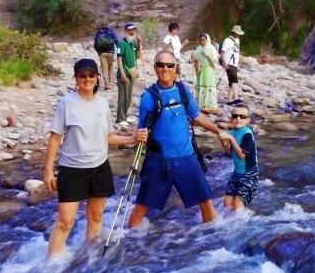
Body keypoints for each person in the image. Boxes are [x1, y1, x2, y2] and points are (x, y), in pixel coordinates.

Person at [44, 58, 147, 256]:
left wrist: (132, 139)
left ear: (97, 78)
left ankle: (88, 259)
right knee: (65, 222)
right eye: (83, 76)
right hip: (71, 169)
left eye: (91, 75)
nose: (87, 79)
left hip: (99, 168)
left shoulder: (102, 104)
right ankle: (52, 266)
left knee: (96, 216)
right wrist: (48, 170)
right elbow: (55, 138)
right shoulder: (66, 104)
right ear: (76, 78)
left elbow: (107, 137)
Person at [127, 50, 227, 228]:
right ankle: (128, 241)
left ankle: (213, 238)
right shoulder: (148, 97)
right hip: (159, 162)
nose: (165, 69)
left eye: (169, 65)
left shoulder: (182, 90)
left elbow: (196, 116)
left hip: (186, 158)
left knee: (205, 201)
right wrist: (138, 136)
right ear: (155, 68)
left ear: (175, 68)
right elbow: (141, 129)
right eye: (160, 65)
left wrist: (218, 131)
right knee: (142, 206)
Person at [219, 104, 259, 210]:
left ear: (247, 120)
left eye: (242, 117)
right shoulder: (232, 132)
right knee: (227, 203)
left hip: (249, 174)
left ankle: (244, 221)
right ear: (230, 118)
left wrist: (231, 139)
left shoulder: (247, 135)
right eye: (235, 116)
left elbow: (241, 155)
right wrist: (224, 144)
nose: (238, 118)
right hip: (237, 173)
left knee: (237, 204)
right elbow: (231, 154)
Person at [116, 22, 142, 126]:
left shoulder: (133, 43)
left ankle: (125, 116)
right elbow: (119, 59)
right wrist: (122, 74)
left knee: (129, 96)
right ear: (126, 31)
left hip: (132, 73)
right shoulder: (121, 43)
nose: (132, 32)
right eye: (130, 30)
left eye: (133, 30)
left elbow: (139, 56)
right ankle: (120, 118)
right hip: (124, 73)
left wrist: (139, 43)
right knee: (123, 96)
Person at [193, 33, 219, 114]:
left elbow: (213, 65)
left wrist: (207, 55)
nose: (202, 42)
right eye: (200, 40)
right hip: (200, 70)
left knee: (208, 87)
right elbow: (196, 61)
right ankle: (201, 105)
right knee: (200, 87)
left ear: (207, 40)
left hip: (208, 70)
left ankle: (210, 106)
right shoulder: (198, 49)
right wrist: (196, 66)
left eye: (204, 40)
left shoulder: (211, 49)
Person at [220, 25, 244, 105]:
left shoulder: (237, 40)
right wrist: (224, 63)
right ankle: (236, 97)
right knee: (234, 79)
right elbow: (222, 52)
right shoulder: (227, 40)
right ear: (233, 32)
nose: (238, 35)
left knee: (231, 81)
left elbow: (236, 52)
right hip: (229, 63)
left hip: (235, 63)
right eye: (237, 33)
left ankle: (229, 100)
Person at [93, 23, 118, 90]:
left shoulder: (98, 33)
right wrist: (119, 52)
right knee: (111, 66)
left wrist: (99, 53)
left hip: (102, 54)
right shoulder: (110, 31)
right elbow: (116, 41)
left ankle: (107, 85)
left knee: (104, 69)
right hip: (111, 53)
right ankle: (110, 82)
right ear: (107, 25)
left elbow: (95, 45)